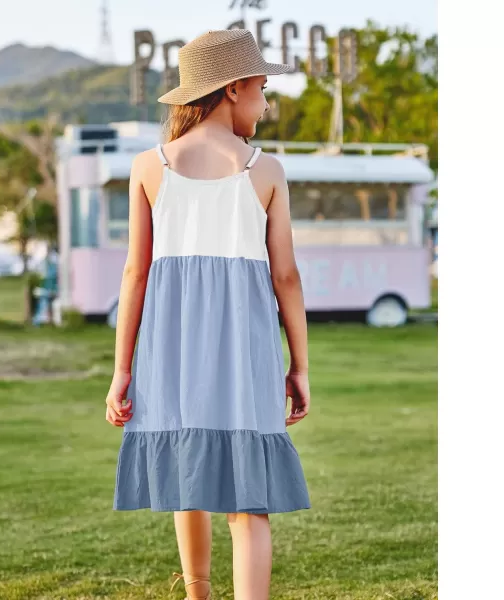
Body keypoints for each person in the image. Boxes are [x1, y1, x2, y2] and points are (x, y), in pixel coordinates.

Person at [105, 29, 311, 600]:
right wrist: (299, 366)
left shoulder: (149, 166)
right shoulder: (265, 170)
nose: (265, 104)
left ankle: (197, 594)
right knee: (249, 499)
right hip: (247, 350)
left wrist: (122, 370)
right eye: (262, 89)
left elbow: (135, 274)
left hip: (170, 347)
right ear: (234, 88)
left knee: (187, 474)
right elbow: (286, 277)